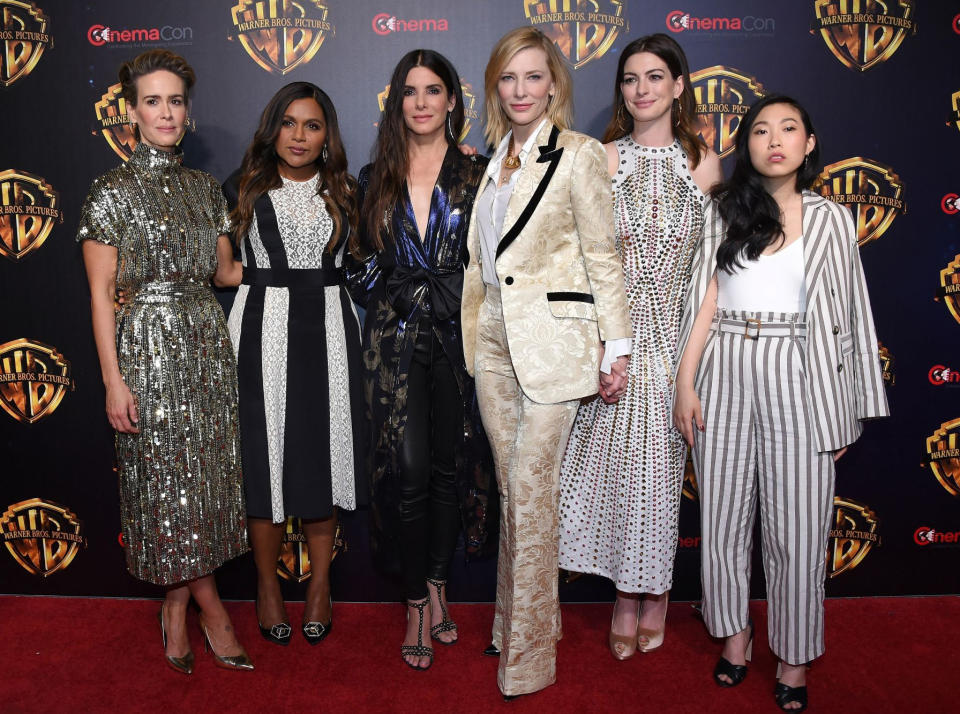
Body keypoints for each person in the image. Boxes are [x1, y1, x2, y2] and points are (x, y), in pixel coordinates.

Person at [672, 94, 889, 712]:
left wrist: (843, 406)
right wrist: (685, 384)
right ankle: (735, 638)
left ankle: (794, 658)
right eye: (760, 130)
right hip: (725, 367)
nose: (774, 140)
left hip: (802, 375)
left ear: (809, 143)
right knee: (721, 519)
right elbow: (703, 302)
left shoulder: (832, 220)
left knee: (799, 528)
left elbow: (851, 316)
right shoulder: (723, 211)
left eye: (788, 129)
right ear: (746, 145)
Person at [461, 27, 632, 698]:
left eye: (534, 77)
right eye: (509, 78)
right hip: (495, 347)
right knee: (515, 494)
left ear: (554, 84)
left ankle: (528, 662)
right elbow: (486, 261)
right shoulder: (494, 159)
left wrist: (615, 349)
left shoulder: (580, 154)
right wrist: (476, 338)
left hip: (557, 348)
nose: (522, 90)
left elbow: (603, 256)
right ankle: (515, 625)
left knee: (532, 495)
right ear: (496, 88)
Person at [78, 49, 251, 674]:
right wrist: (112, 381)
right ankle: (208, 610)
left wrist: (291, 237)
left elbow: (227, 272)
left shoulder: (206, 190)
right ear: (131, 112)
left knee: (203, 487)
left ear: (188, 112)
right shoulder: (111, 192)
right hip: (146, 353)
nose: (166, 112)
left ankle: (177, 608)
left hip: (206, 349)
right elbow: (101, 296)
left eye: (175, 100)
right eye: (152, 101)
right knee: (164, 489)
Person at [558, 33, 722, 661]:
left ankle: (654, 596)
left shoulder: (704, 163)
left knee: (660, 478)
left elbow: (710, 269)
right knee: (613, 478)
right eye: (630, 79)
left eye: (656, 76)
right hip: (617, 337)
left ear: (679, 86)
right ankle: (624, 599)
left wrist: (689, 361)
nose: (643, 89)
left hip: (677, 339)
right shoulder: (602, 158)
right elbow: (588, 258)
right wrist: (607, 345)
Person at [348, 49, 494, 671]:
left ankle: (437, 583)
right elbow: (357, 265)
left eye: (434, 90)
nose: (422, 102)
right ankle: (412, 601)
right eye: (410, 91)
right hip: (394, 343)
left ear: (453, 100)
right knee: (404, 475)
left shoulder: (481, 174)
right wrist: (403, 287)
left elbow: (498, 262)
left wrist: (451, 290)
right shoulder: (373, 176)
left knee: (447, 470)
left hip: (459, 342)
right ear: (396, 102)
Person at [221, 82, 363, 646]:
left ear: (327, 134)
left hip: (329, 327)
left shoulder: (348, 191)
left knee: (323, 456)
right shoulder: (240, 189)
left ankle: (321, 586)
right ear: (271, 128)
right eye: (288, 123)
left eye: (312, 125)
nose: (299, 136)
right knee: (265, 461)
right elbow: (222, 270)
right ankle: (267, 587)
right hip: (260, 330)